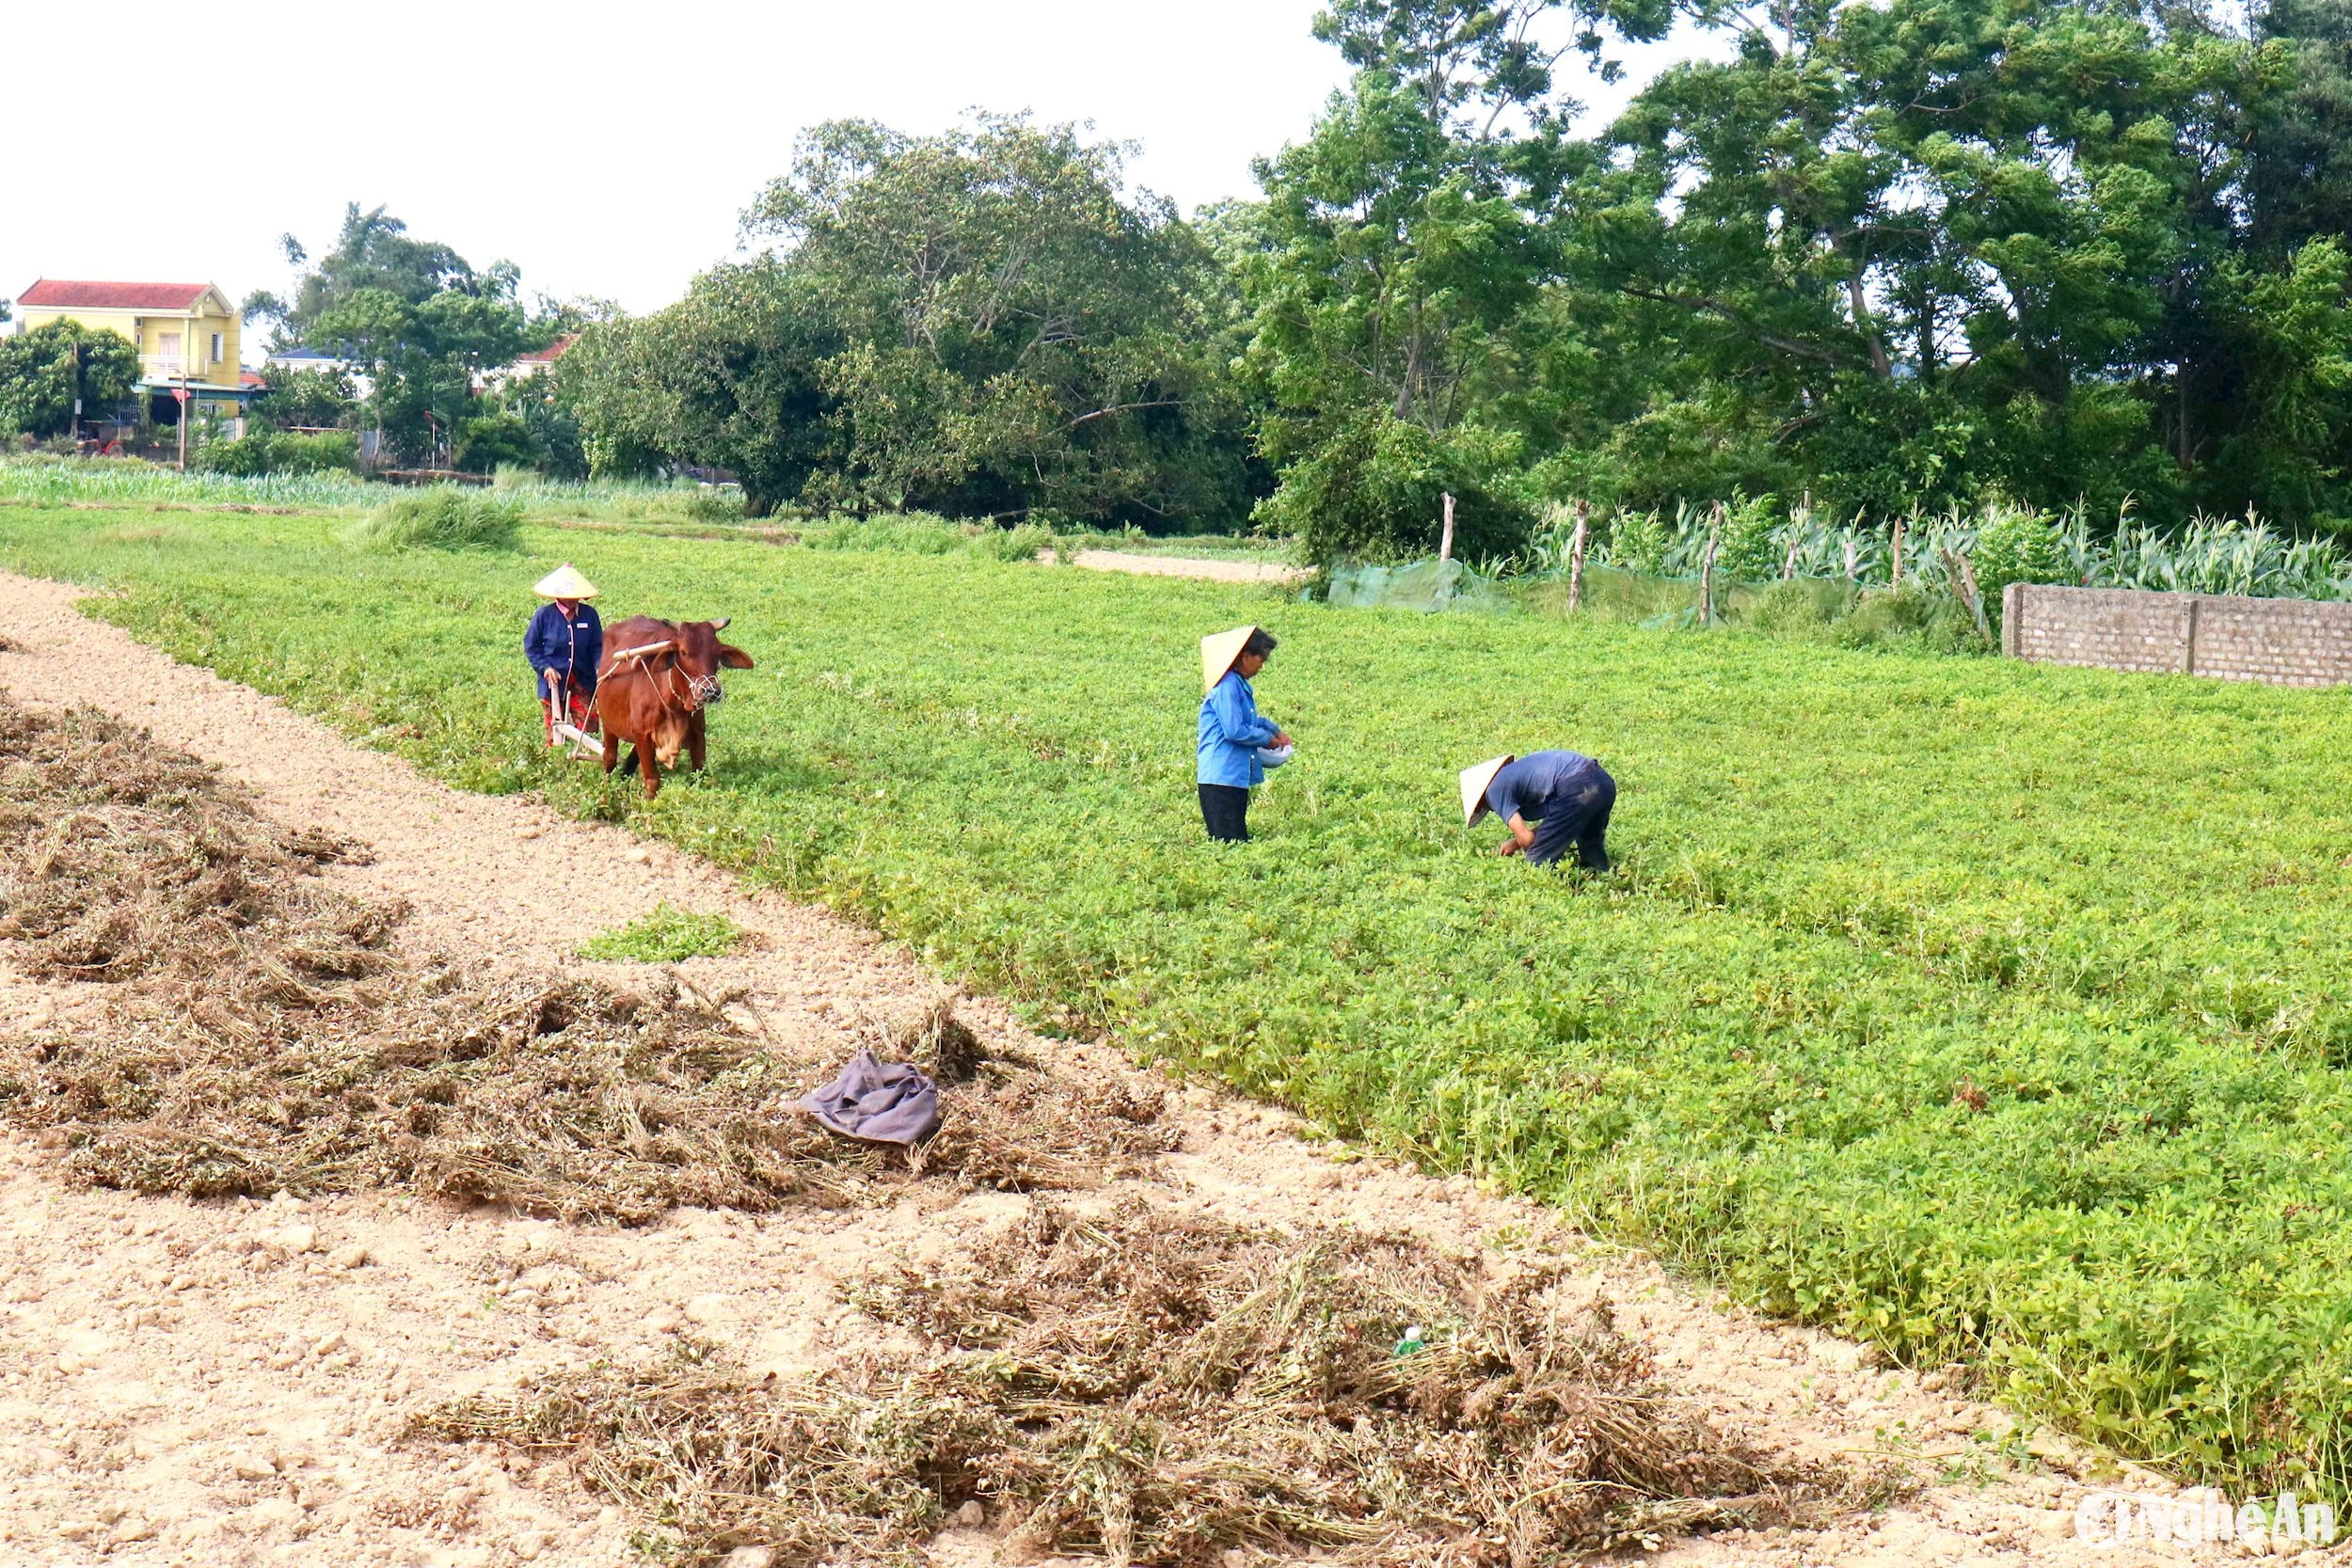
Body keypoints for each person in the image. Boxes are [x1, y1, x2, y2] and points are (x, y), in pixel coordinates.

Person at [1197, 625, 1293, 843]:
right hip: (1220, 778)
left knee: (1237, 840)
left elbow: (1251, 721)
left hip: (1233, 776)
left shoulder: (1237, 685)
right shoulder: (1227, 687)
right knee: (1228, 843)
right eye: (1262, 660)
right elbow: (1235, 730)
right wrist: (1268, 739)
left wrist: (1276, 731)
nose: (1262, 667)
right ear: (1246, 656)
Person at [1459, 751, 1616, 870]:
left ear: (1480, 801)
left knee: (1538, 862)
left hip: (1576, 785)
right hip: (1602, 782)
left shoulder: (1493, 791)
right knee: (1591, 848)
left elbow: (1526, 839)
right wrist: (1515, 843)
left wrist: (1524, 847)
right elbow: (1560, 823)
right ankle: (1601, 883)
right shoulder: (1514, 774)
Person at [525, 563, 603, 747]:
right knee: (555, 729)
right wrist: (545, 668)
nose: (571, 599)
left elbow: (597, 646)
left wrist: (599, 665)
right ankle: (558, 761)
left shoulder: (589, 615)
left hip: (582, 680)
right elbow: (532, 646)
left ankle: (585, 759)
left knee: (588, 725)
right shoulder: (544, 615)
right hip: (553, 682)